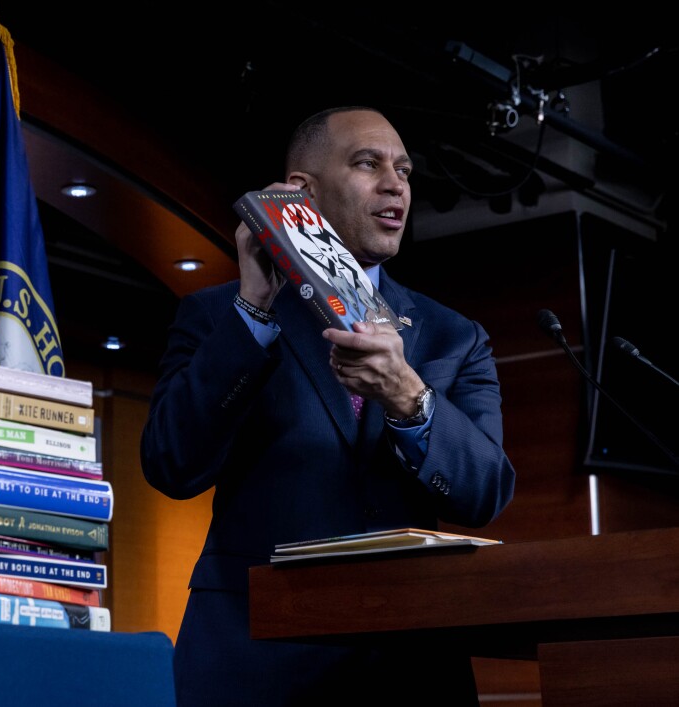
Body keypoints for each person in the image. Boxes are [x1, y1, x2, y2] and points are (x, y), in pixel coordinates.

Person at [140, 106, 516, 706]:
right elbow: (170, 465)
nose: (396, 185)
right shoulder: (219, 316)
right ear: (300, 192)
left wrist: (408, 397)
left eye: (404, 170)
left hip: (411, 669)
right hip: (257, 663)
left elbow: (486, 492)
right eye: (368, 164)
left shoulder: (454, 337)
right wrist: (256, 311)